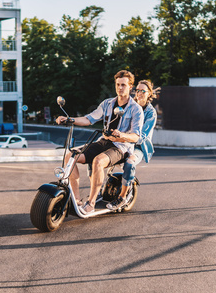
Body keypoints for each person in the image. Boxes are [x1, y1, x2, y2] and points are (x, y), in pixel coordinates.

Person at [55, 70, 144, 215]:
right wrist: (70, 119)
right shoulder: (108, 103)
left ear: (130, 87)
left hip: (121, 147)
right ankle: (76, 200)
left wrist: (121, 134)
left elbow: (135, 137)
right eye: (117, 84)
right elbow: (89, 119)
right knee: (70, 156)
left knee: (98, 161)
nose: (120, 88)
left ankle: (91, 203)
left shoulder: (136, 109)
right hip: (104, 141)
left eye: (123, 85)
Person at [107, 80, 159, 210]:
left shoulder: (151, 113)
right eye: (138, 90)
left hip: (138, 147)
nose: (139, 93)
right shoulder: (129, 106)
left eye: (143, 91)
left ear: (149, 94)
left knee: (129, 163)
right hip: (122, 142)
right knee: (96, 155)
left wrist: (124, 138)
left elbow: (142, 136)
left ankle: (122, 198)